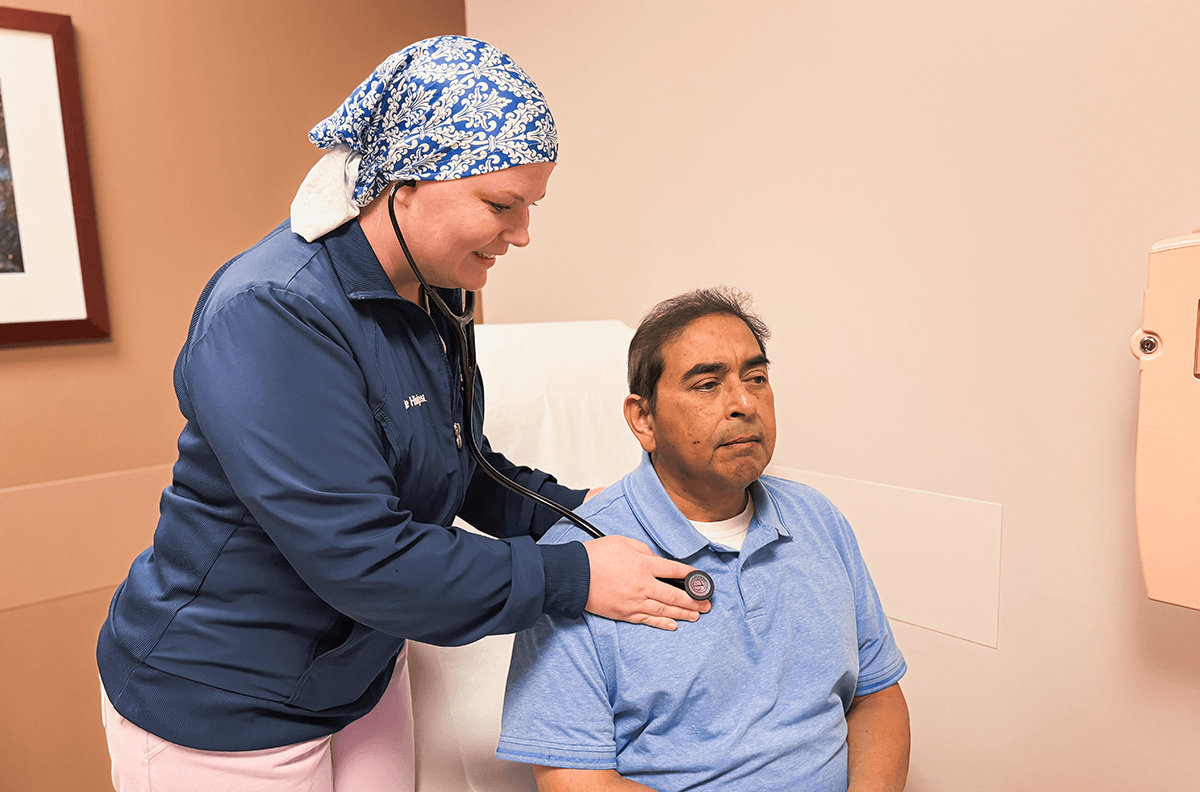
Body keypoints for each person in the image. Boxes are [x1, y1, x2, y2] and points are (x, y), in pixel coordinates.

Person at [96, 36, 709, 792]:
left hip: (359, 676)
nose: (522, 236)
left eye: (530, 207)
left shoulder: (434, 293)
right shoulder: (272, 313)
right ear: (405, 183)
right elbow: (362, 556)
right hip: (222, 704)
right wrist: (575, 573)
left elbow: (468, 463)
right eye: (500, 206)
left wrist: (587, 512)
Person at [497, 288, 910, 791]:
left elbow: (877, 697)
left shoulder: (818, 521)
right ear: (643, 420)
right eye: (707, 385)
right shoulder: (580, 565)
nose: (743, 403)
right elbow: (576, 782)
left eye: (756, 379)